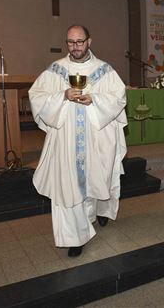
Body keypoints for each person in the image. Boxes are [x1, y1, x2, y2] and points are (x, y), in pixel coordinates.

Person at [29, 25, 128, 257]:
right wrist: (62, 96)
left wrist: (93, 100)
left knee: (99, 178)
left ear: (89, 41)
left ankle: (101, 210)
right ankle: (75, 236)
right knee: (68, 186)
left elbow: (118, 97)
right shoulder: (56, 71)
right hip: (66, 140)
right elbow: (37, 95)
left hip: (97, 137)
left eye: (80, 42)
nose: (75, 47)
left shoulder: (104, 70)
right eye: (71, 42)